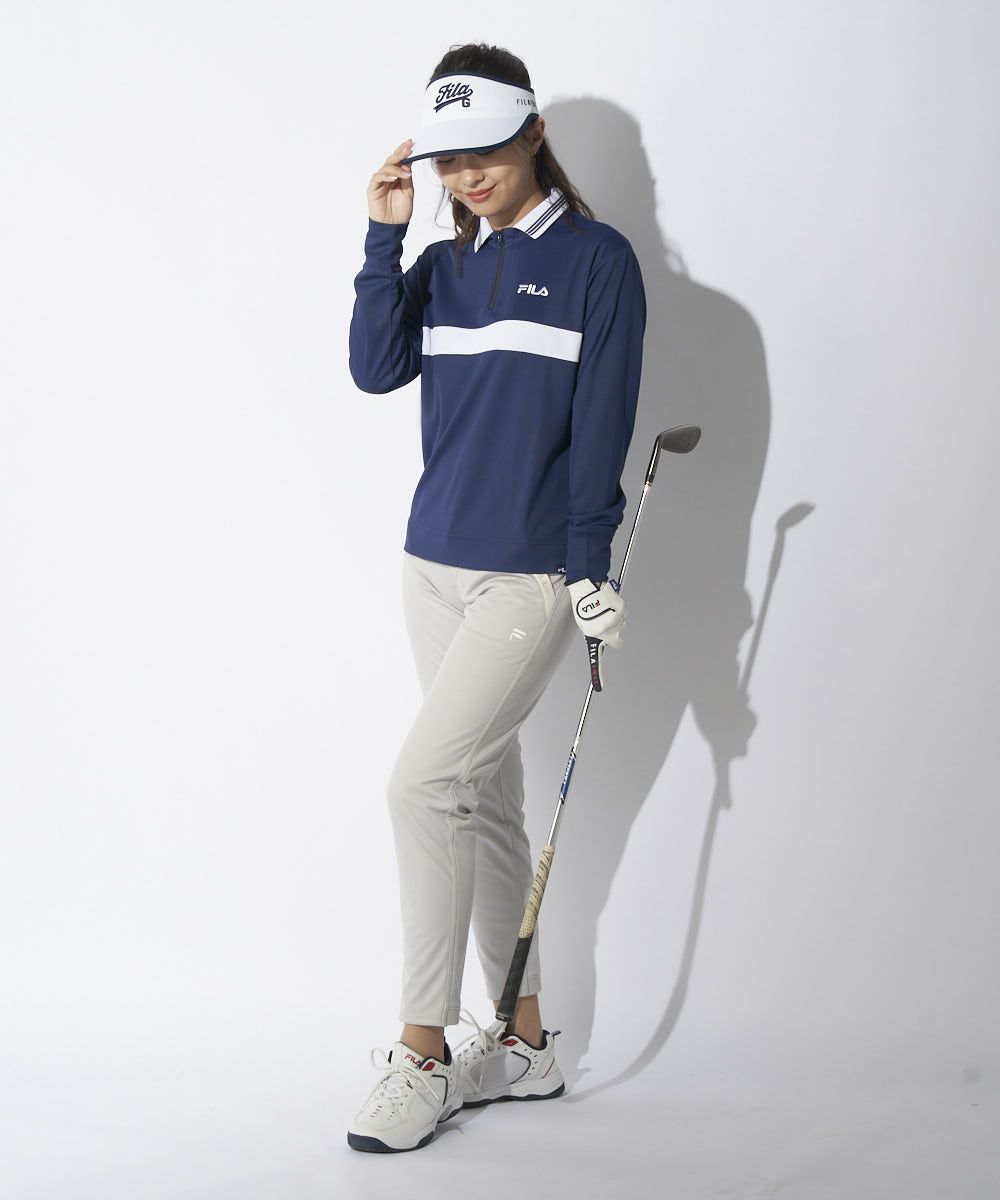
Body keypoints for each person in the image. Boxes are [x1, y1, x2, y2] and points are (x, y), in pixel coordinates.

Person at [345, 42, 646, 1153]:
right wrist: (382, 237)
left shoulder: (597, 262)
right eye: (446, 158)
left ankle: (422, 1053)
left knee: (422, 788)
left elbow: (603, 425)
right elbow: (374, 368)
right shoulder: (442, 263)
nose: (465, 175)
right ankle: (523, 1046)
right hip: (430, 564)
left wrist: (591, 565)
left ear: (531, 133)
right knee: (483, 798)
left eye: (483, 151)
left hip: (526, 574)